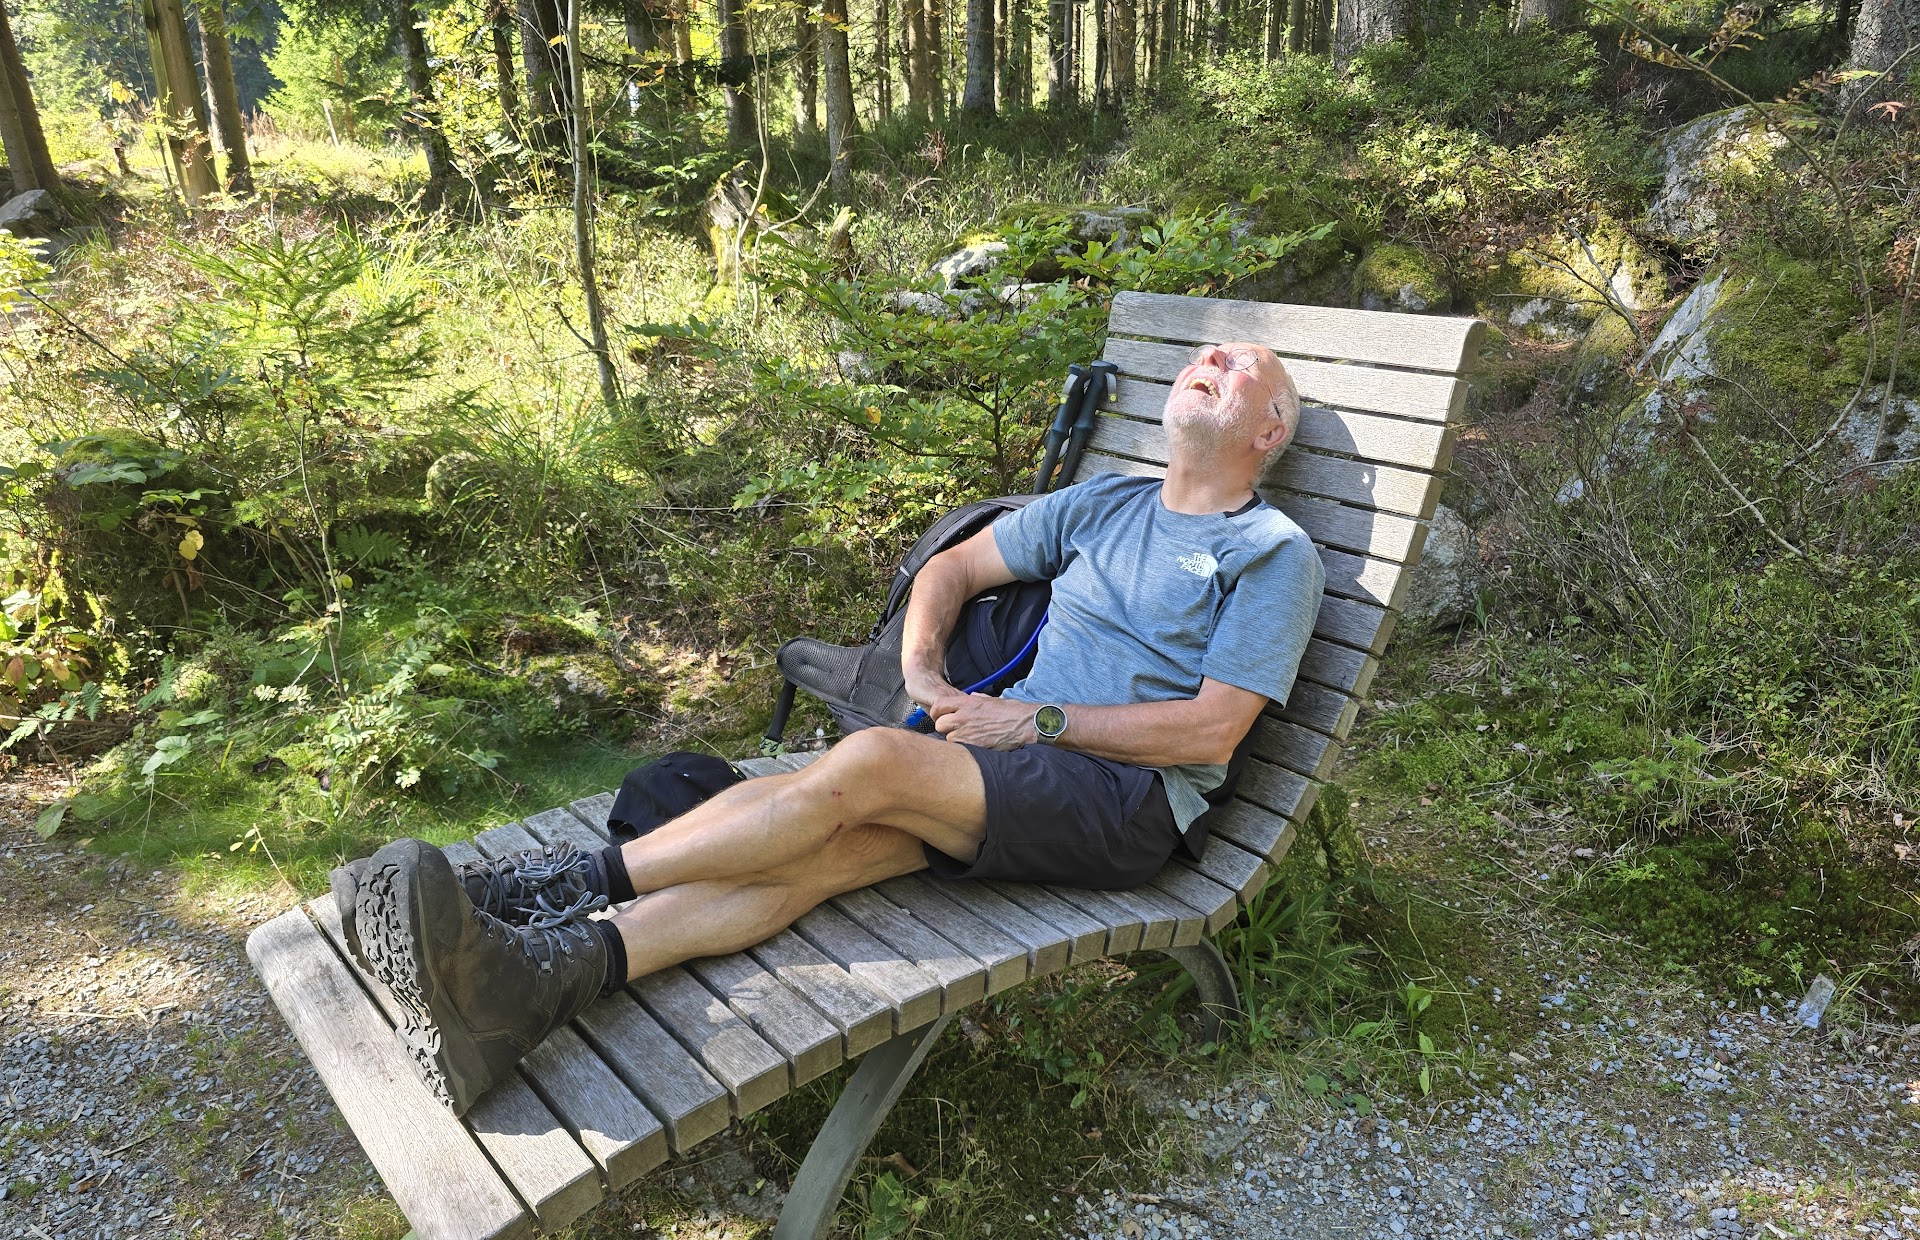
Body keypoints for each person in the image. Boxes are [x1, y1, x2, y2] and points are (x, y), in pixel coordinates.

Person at [336, 342, 1326, 1116]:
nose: (1213, 360)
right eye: (1207, 353)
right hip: (1007, 770)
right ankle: (530, 988)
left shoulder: (1270, 552)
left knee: (873, 763)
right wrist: (925, 669)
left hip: (1129, 801)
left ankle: (534, 892)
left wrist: (1038, 719)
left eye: (1243, 368)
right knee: (821, 851)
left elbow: (1211, 732)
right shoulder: (1104, 502)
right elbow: (953, 567)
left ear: (1268, 431)